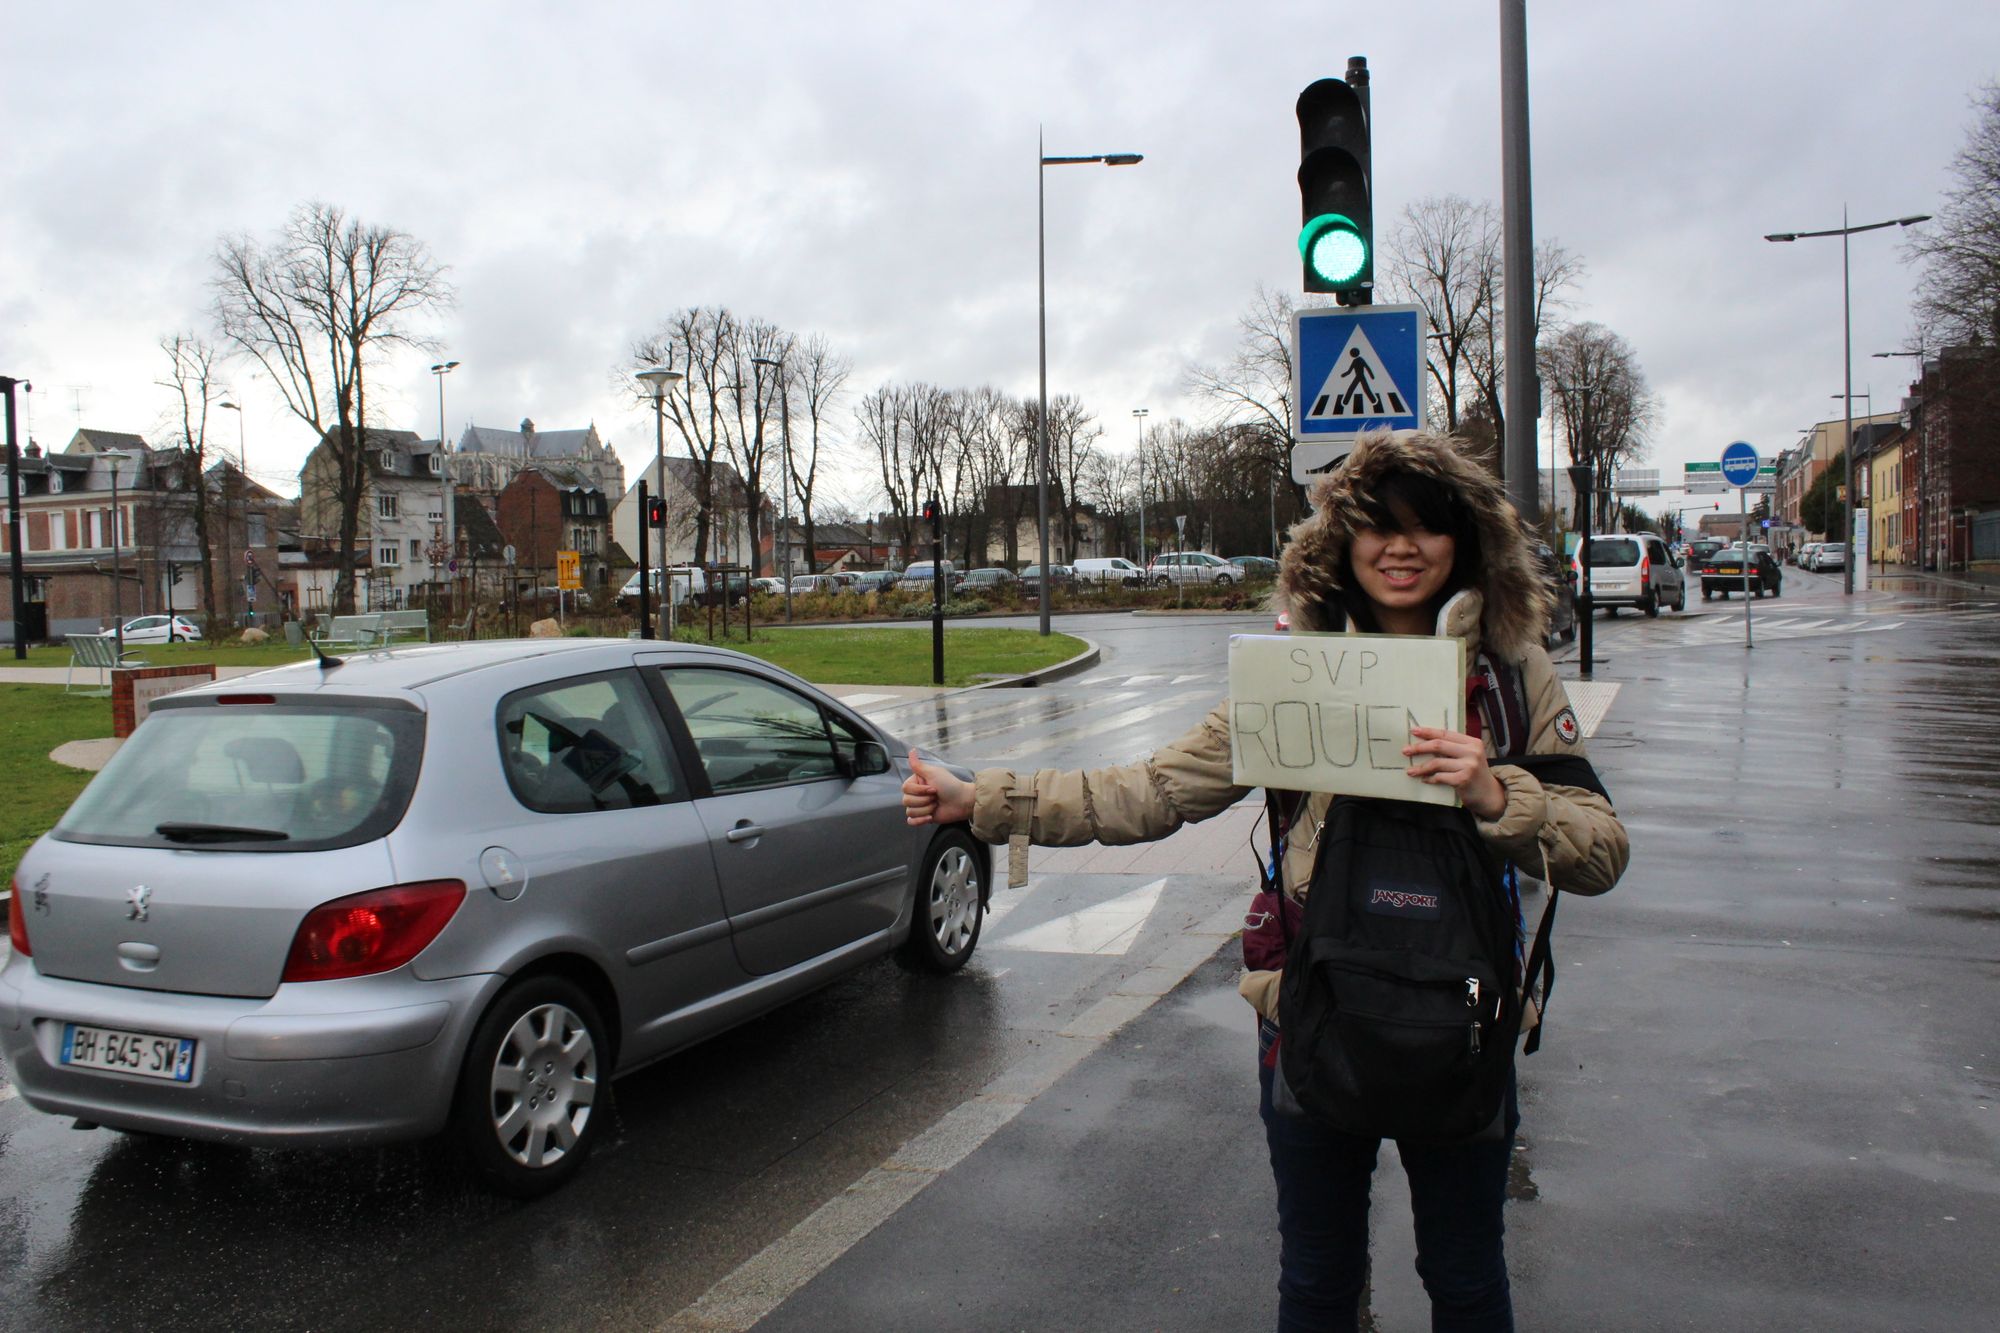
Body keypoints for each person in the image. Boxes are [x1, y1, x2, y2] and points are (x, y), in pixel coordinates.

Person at [902, 429, 1630, 1331]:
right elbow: (1155, 792)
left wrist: (1494, 790)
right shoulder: (1296, 672)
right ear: (1342, 542)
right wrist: (985, 799)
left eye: (1426, 527)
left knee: (1468, 1276)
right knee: (1319, 1282)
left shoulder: (1512, 671)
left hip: (1469, 1012)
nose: (1402, 548)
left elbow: (1600, 850)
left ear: (1465, 538)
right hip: (1311, 1007)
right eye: (1378, 527)